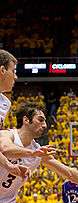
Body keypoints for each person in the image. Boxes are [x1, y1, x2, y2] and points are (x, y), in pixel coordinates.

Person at [0, 49, 30, 178]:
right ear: (2, 70)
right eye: (13, 71)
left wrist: (9, 165)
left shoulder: (4, 102)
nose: (16, 77)